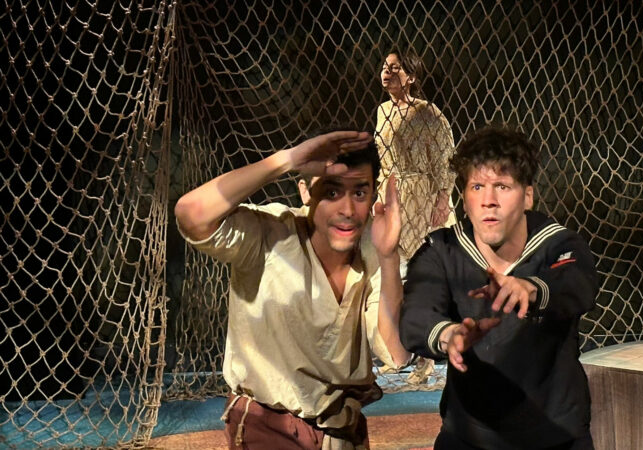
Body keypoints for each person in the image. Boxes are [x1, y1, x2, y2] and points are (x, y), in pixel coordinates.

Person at [174, 130, 411, 449]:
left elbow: (395, 352)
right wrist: (285, 160)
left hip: (342, 429)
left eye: (359, 193)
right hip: (269, 427)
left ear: (373, 196)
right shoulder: (270, 233)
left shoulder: (376, 247)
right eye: (331, 192)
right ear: (305, 191)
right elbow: (190, 214)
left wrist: (389, 257)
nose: (347, 209)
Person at [399, 126, 599, 449]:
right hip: (469, 437)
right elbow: (416, 315)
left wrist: (531, 289)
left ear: (528, 196)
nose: (488, 201)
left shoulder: (559, 244)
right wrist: (451, 335)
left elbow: (577, 283)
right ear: (464, 199)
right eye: (477, 186)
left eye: (502, 186)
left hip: (555, 437)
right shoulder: (442, 250)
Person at [376, 48, 457, 261]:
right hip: (390, 192)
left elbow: (447, 158)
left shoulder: (427, 112)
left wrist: (443, 200)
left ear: (411, 77)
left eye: (395, 68)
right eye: (385, 67)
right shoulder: (383, 111)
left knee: (422, 259)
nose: (387, 72)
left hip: (421, 196)